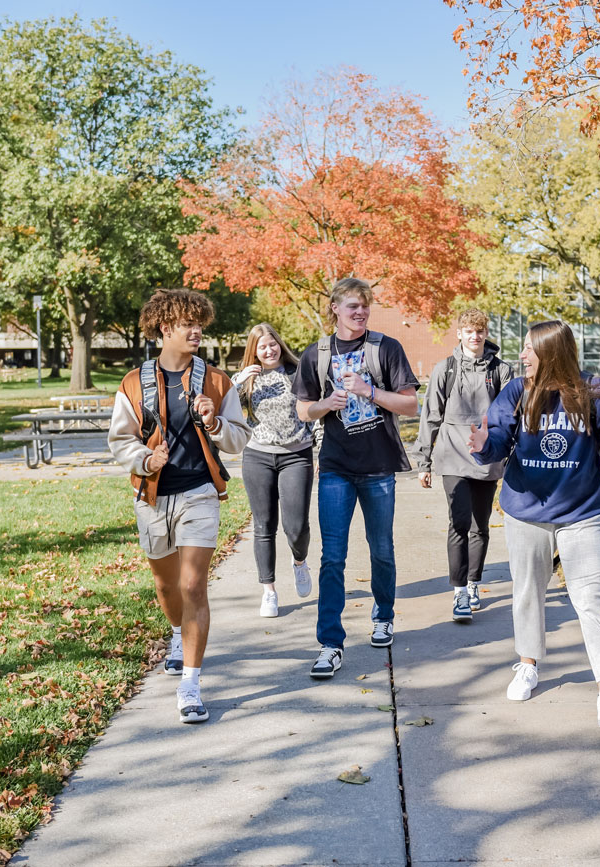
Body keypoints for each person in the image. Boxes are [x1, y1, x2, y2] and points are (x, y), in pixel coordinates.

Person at [468, 320, 600, 729]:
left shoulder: (594, 391)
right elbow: (497, 437)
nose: (522, 356)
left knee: (591, 598)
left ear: (551, 352)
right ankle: (528, 664)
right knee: (528, 592)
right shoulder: (517, 390)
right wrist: (482, 446)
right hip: (527, 510)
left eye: (529, 349)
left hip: (583, 511)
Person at [108, 289, 251, 724]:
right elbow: (120, 439)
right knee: (167, 587)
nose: (196, 332)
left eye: (200, 325)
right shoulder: (133, 382)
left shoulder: (217, 381)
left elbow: (239, 438)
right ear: (164, 328)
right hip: (153, 495)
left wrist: (216, 421)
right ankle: (176, 633)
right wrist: (144, 459)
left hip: (199, 493)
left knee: (192, 587)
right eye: (188, 324)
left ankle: (190, 684)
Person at [292, 278, 419, 679]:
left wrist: (370, 390)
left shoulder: (385, 348)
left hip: (378, 466)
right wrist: (325, 404)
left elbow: (411, 404)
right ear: (335, 308)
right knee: (333, 556)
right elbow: (302, 410)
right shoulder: (317, 354)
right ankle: (330, 644)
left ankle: (384, 616)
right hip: (335, 468)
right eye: (352, 307)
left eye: (365, 307)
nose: (360, 313)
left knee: (381, 547)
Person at [415, 308, 514, 622]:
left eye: (480, 331)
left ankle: (474, 583)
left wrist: (511, 456)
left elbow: (512, 419)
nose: (475, 336)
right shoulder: (445, 369)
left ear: (486, 333)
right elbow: (430, 415)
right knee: (458, 521)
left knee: (479, 526)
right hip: (452, 456)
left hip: (487, 456)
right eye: (469, 331)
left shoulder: (502, 371)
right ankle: (458, 592)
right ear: (458, 333)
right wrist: (423, 461)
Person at [233, 323, 314, 617]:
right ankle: (269, 591)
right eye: (262, 346)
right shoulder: (248, 379)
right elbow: (221, 404)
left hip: (296, 456)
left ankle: (300, 561)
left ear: (279, 344)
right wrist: (239, 380)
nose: (269, 350)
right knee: (263, 525)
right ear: (253, 351)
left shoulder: (297, 371)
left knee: (296, 527)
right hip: (257, 456)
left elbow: (313, 407)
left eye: (272, 344)